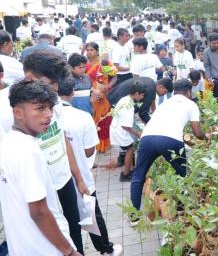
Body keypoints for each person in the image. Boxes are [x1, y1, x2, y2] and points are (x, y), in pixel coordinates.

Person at [0, 51, 89, 254]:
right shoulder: (7, 109)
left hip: (61, 180)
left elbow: (62, 137)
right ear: (30, 77)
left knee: (72, 231)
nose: (48, 113)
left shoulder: (49, 99)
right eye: (50, 83)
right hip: (33, 189)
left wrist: (78, 177)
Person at [58, 78, 124, 256]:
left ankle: (77, 251)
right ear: (72, 93)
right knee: (93, 214)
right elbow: (89, 152)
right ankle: (105, 249)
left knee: (69, 220)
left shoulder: (49, 117)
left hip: (59, 181)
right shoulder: (82, 117)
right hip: (82, 178)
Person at [130, 79, 210, 213]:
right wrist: (206, 136)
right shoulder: (191, 105)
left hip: (147, 138)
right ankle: (181, 208)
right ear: (189, 92)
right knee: (183, 174)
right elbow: (197, 133)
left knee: (138, 176)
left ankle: (134, 215)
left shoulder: (164, 103)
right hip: (170, 140)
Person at [110, 81, 145, 182]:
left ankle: (129, 170)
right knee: (130, 149)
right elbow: (126, 126)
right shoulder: (129, 106)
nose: (142, 98)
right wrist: (138, 133)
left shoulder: (125, 99)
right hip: (120, 131)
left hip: (116, 127)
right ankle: (126, 174)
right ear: (136, 94)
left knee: (130, 147)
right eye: (141, 95)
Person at [85, 42, 117, 153]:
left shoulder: (104, 63)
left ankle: (105, 143)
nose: (89, 52)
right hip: (92, 95)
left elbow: (114, 78)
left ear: (97, 51)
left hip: (105, 94)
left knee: (105, 119)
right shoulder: (84, 65)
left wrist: (108, 86)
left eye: (91, 50)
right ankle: (94, 143)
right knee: (93, 118)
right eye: (87, 50)